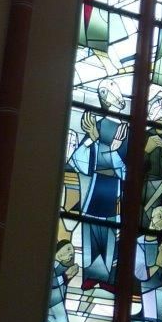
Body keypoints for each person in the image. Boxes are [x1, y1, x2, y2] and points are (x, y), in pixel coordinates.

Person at [67, 82, 129, 287]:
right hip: (97, 187)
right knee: (91, 230)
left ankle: (105, 278)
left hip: (114, 188)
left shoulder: (126, 130)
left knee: (110, 232)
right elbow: (78, 161)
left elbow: (127, 168)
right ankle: (92, 277)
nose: (109, 98)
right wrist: (91, 140)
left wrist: (110, 150)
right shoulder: (99, 125)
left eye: (110, 93)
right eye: (105, 94)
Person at [131, 205, 162, 322]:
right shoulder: (139, 242)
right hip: (148, 289)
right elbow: (140, 273)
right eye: (160, 216)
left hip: (161, 288)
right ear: (152, 216)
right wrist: (158, 264)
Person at [46, 239, 79, 322]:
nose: (69, 254)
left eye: (71, 254)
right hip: (47, 299)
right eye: (68, 249)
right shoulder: (46, 263)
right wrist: (66, 276)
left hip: (56, 300)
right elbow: (49, 282)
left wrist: (70, 275)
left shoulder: (64, 268)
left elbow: (62, 284)